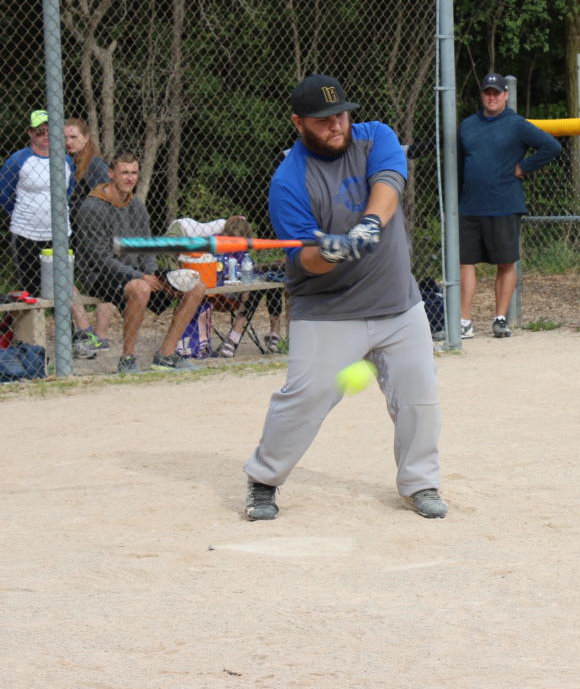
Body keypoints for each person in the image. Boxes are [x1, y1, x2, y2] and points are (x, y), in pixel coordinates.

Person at [242, 73, 445, 522]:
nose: (336, 125)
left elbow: (389, 183)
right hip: (328, 311)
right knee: (306, 397)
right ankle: (264, 479)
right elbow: (306, 260)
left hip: (397, 302)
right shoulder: (289, 182)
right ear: (298, 123)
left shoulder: (376, 137)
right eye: (323, 120)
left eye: (341, 115)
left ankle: (420, 483)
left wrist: (368, 225)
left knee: (420, 396)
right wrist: (330, 253)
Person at [74, 152, 207, 372]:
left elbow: (146, 247)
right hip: (100, 275)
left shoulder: (136, 205)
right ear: (111, 173)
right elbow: (100, 258)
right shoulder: (92, 207)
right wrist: (141, 277)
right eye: (124, 172)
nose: (130, 178)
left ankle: (166, 355)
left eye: (134, 173)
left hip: (136, 273)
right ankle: (127, 358)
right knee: (141, 288)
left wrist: (153, 274)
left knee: (196, 285)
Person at [457, 71, 561, 338]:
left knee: (505, 263)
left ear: (505, 95)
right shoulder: (467, 125)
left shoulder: (516, 124)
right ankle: (464, 321)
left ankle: (500, 319)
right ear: (482, 95)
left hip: (504, 204)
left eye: (496, 93)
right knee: (464, 263)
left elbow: (551, 146)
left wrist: (524, 166)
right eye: (487, 93)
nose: (491, 97)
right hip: (470, 206)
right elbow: (459, 164)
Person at [0, 110, 101, 357]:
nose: (45, 136)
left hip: (58, 234)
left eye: (49, 131)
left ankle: (74, 341)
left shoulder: (65, 161)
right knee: (31, 289)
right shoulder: (18, 160)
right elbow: (4, 194)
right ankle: (33, 347)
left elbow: (68, 192)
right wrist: (23, 214)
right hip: (26, 234)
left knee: (63, 285)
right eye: (39, 131)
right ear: (30, 133)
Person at [65, 116, 116, 351]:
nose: (68, 141)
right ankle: (87, 331)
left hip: (94, 235)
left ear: (86, 138)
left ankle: (98, 336)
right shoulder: (71, 163)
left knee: (105, 283)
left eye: (74, 137)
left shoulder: (94, 165)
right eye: (65, 137)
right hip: (76, 234)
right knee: (64, 276)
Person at [215, 215, 284, 357]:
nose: (236, 244)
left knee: (271, 282)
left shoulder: (241, 249)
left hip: (241, 290)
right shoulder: (215, 244)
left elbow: (249, 269)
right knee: (251, 289)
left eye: (240, 241)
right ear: (225, 233)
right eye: (233, 239)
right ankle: (234, 337)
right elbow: (220, 272)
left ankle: (274, 333)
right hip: (219, 292)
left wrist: (265, 268)